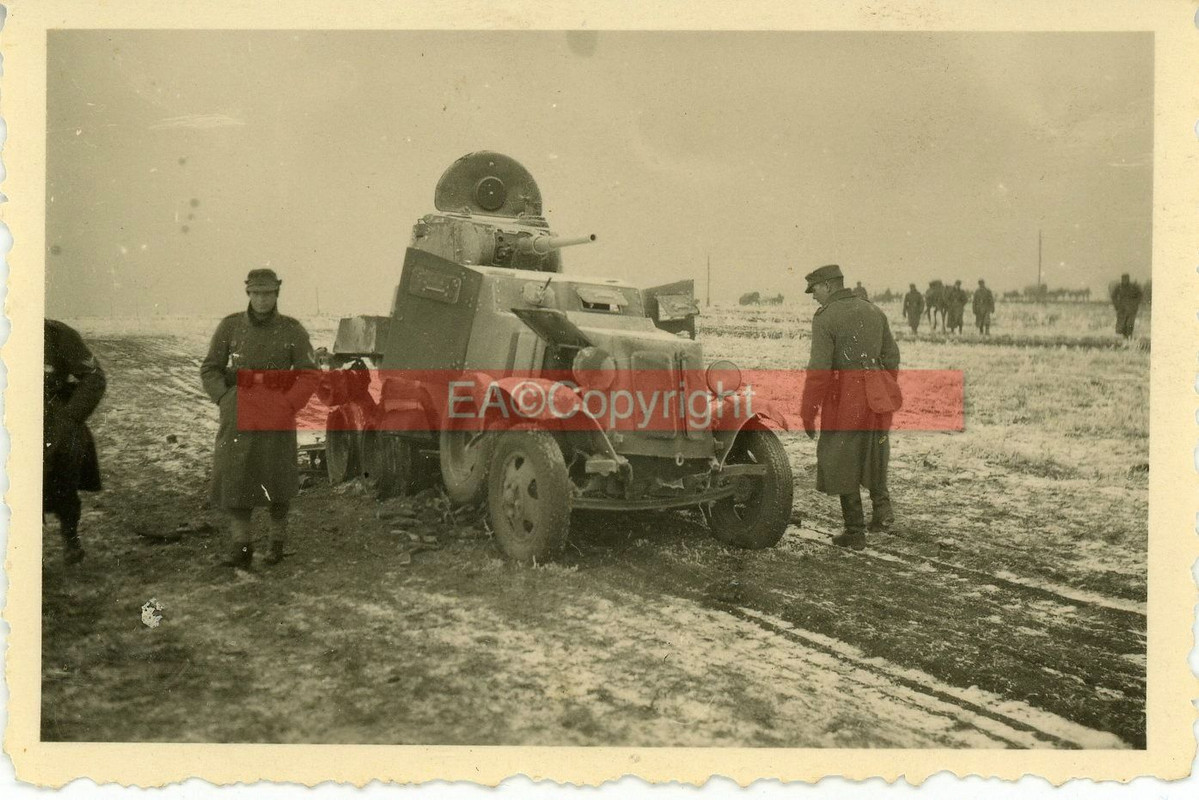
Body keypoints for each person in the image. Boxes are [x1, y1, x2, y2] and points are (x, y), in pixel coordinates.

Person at [201, 269, 319, 571]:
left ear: (276, 294)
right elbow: (211, 368)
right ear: (248, 294)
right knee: (236, 477)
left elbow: (309, 373)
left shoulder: (292, 330)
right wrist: (224, 398)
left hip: (277, 412)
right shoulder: (230, 327)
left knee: (277, 478)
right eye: (256, 293)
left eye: (267, 293)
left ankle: (276, 544)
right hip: (239, 410)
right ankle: (241, 547)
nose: (262, 300)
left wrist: (289, 403)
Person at [800, 265, 901, 550]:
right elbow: (891, 357)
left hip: (844, 399)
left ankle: (855, 531)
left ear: (828, 286)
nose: (813, 296)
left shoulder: (825, 317)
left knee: (841, 456)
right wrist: (881, 385)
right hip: (877, 396)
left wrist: (808, 411)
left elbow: (819, 371)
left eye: (814, 290)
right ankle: (882, 512)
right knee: (874, 450)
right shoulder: (873, 310)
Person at [44, 320, 108, 565]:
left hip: (49, 417)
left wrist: (69, 418)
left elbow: (93, 376)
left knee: (62, 473)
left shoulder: (56, 334)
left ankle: (70, 537)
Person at [1110, 273, 1143, 340]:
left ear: (1128, 279)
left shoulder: (1133, 287)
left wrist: (1136, 303)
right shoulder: (1119, 287)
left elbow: (1140, 295)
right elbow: (1113, 296)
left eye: (1126, 279)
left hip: (1131, 310)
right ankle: (1121, 340)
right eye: (1123, 279)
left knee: (1129, 325)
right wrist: (1116, 305)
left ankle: (1129, 340)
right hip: (1122, 310)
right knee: (1121, 326)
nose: (1124, 280)